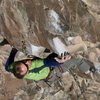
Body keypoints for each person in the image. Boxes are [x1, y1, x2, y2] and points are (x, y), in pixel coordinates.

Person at [5, 48, 71, 81]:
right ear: (27, 71)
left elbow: (7, 68)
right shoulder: (35, 66)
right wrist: (60, 61)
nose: (27, 62)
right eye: (27, 65)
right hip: (48, 72)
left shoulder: (12, 67)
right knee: (56, 55)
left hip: (42, 69)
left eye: (23, 62)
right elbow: (47, 63)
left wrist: (14, 50)